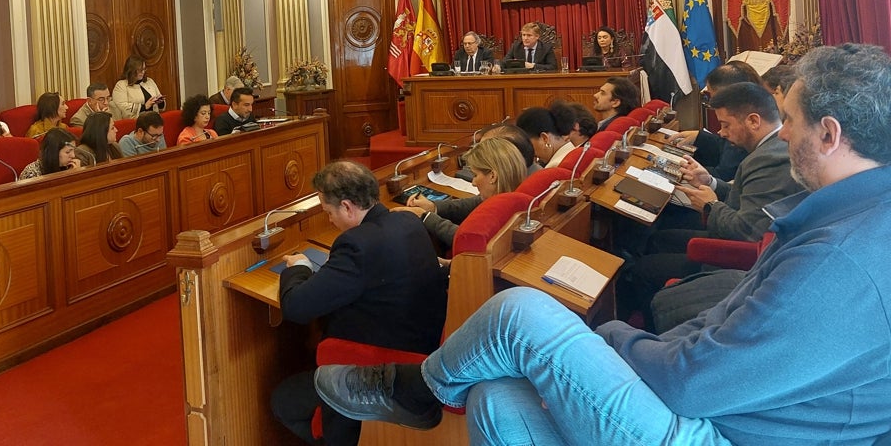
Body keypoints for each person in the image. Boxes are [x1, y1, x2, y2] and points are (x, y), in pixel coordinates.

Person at [313, 43, 891, 446]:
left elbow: (692, 382)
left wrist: (610, 339)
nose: (782, 132)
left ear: (831, 133)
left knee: (520, 314)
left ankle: (422, 388)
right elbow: (727, 324)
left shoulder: (842, 257)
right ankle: (430, 390)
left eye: (789, 120)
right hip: (730, 410)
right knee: (492, 398)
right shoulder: (855, 219)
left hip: (723, 432)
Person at [271, 161, 447, 446]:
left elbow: (296, 307)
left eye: (329, 212)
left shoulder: (357, 244)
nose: (329, 220)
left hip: (382, 362)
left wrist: (299, 267)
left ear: (347, 206)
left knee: (283, 401)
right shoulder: (406, 221)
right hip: (422, 343)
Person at [619, 82, 801, 322]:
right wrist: (711, 182)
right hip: (735, 237)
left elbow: (746, 232)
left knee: (642, 270)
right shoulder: (768, 150)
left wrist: (711, 206)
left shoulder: (768, 158)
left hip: (737, 260)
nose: (722, 133)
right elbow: (745, 196)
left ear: (754, 121)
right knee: (658, 239)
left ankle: (653, 331)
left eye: (725, 125)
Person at [395, 137, 528, 250]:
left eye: (475, 175)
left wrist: (425, 216)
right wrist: (433, 207)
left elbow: (467, 239)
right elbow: (472, 203)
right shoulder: (510, 195)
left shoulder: (501, 210)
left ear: (493, 176)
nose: (473, 183)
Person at [669, 60, 763, 182]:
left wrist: (679, 167)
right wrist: (699, 136)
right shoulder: (752, 105)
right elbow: (725, 145)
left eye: (711, 95)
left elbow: (724, 174)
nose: (711, 102)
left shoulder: (742, 122)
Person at [515, 102, 577, 170]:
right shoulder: (575, 151)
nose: (528, 151)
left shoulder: (555, 166)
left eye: (528, 144)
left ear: (544, 138)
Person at [111, 55, 164, 120]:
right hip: (135, 122)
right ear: (131, 70)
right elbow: (121, 107)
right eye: (139, 70)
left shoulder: (149, 81)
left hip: (154, 119)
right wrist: (144, 107)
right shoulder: (121, 85)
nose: (143, 72)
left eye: (144, 69)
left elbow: (159, 101)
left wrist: (160, 102)